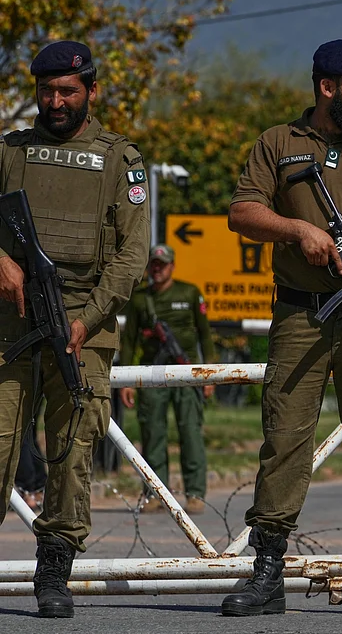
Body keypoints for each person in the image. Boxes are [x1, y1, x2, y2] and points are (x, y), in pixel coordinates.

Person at [221, 39, 342, 618]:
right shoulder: (279, 143)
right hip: (301, 313)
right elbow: (242, 212)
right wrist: (298, 232)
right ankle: (266, 572)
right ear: (328, 88)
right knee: (285, 437)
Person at [0, 41, 150, 618]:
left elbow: (132, 256)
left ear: (91, 90)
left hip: (82, 327)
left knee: (72, 449)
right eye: (46, 92)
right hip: (11, 326)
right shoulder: (12, 152)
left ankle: (54, 568)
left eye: (67, 91)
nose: (55, 101)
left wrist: (87, 319)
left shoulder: (120, 159)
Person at [119, 243, 215, 515]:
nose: (158, 269)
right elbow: (129, 341)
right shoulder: (140, 299)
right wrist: (127, 379)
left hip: (187, 373)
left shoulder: (189, 292)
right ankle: (154, 493)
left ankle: (195, 493)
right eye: (154, 264)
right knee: (153, 434)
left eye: (163, 264)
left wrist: (210, 374)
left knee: (190, 432)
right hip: (151, 374)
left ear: (172, 266)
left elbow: (205, 335)